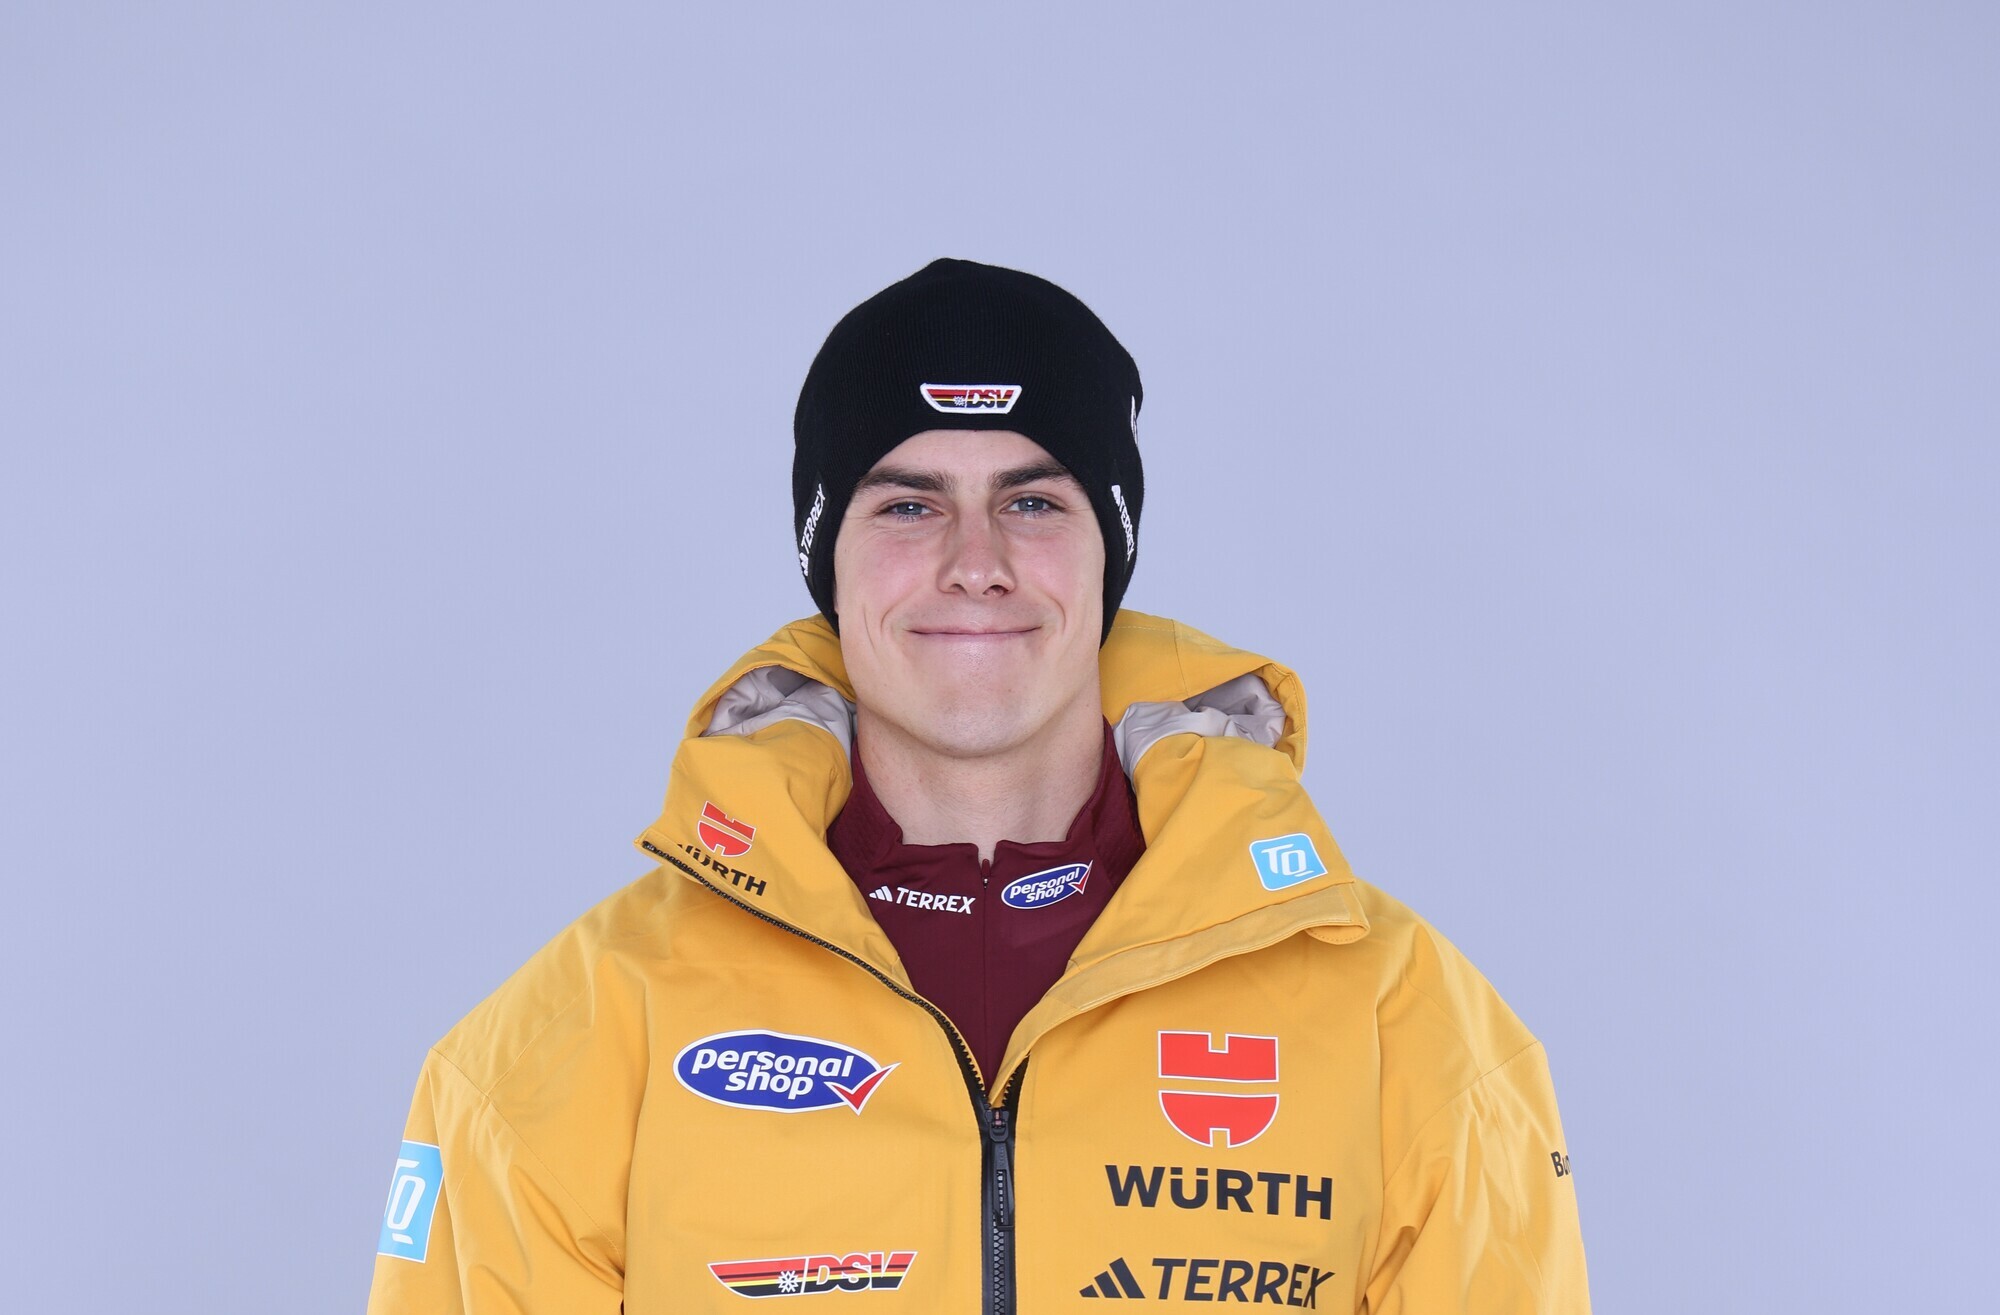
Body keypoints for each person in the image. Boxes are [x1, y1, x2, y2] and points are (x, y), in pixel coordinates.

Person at [367, 258, 1592, 1312]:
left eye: (1032, 501)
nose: (974, 563)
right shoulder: (579, 1038)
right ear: (827, 560)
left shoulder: (1400, 1022)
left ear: (1107, 550)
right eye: (908, 504)